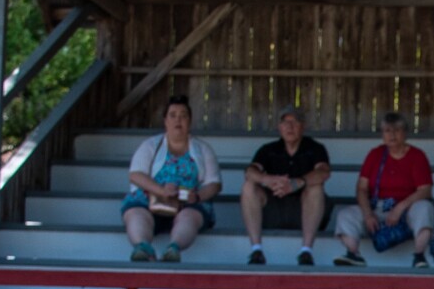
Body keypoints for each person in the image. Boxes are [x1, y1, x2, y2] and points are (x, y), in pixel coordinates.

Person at [120, 95, 221, 263]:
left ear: (190, 121)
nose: (178, 120)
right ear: (165, 121)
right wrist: (161, 191)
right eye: (173, 115)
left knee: (190, 216)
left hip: (187, 203)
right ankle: (142, 247)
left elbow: (215, 184)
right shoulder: (150, 145)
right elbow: (135, 174)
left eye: (183, 115)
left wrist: (197, 196)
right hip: (150, 200)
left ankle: (174, 248)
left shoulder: (203, 149)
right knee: (136, 213)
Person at [333, 112, 434, 269]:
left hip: (406, 209)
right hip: (377, 207)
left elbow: (425, 190)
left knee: (425, 208)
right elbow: (361, 188)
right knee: (346, 215)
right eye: (387, 130)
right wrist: (367, 214)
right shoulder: (375, 155)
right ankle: (353, 254)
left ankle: (419, 256)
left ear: (405, 133)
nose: (392, 135)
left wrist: (400, 208)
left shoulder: (417, 156)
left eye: (397, 130)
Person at [241, 105, 332, 266]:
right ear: (279, 127)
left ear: (302, 126)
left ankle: (306, 251)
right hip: (273, 211)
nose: (290, 126)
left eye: (295, 122)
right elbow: (250, 172)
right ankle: (256, 250)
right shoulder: (268, 150)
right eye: (285, 122)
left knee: (316, 187)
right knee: (249, 186)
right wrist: (267, 179)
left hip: (303, 212)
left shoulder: (314, 148)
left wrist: (298, 183)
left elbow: (324, 172)